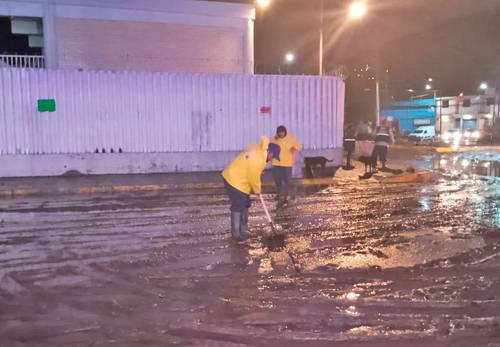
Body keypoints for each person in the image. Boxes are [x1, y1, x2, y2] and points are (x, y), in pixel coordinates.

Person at [222, 136, 281, 241]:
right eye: (273, 157)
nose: (272, 160)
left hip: (241, 180)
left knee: (246, 203)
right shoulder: (260, 159)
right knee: (238, 205)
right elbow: (254, 177)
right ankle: (236, 234)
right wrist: (257, 190)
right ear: (270, 153)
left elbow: (247, 148)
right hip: (234, 180)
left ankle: (244, 230)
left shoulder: (258, 149)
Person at [271, 125, 302, 204]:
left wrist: (294, 148)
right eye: (279, 132)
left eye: (282, 132)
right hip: (276, 163)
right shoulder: (275, 139)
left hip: (287, 164)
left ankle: (287, 196)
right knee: (277, 180)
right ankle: (279, 194)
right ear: (277, 133)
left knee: (287, 181)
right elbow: (270, 148)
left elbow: (299, 146)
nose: (281, 134)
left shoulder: (291, 138)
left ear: (285, 132)